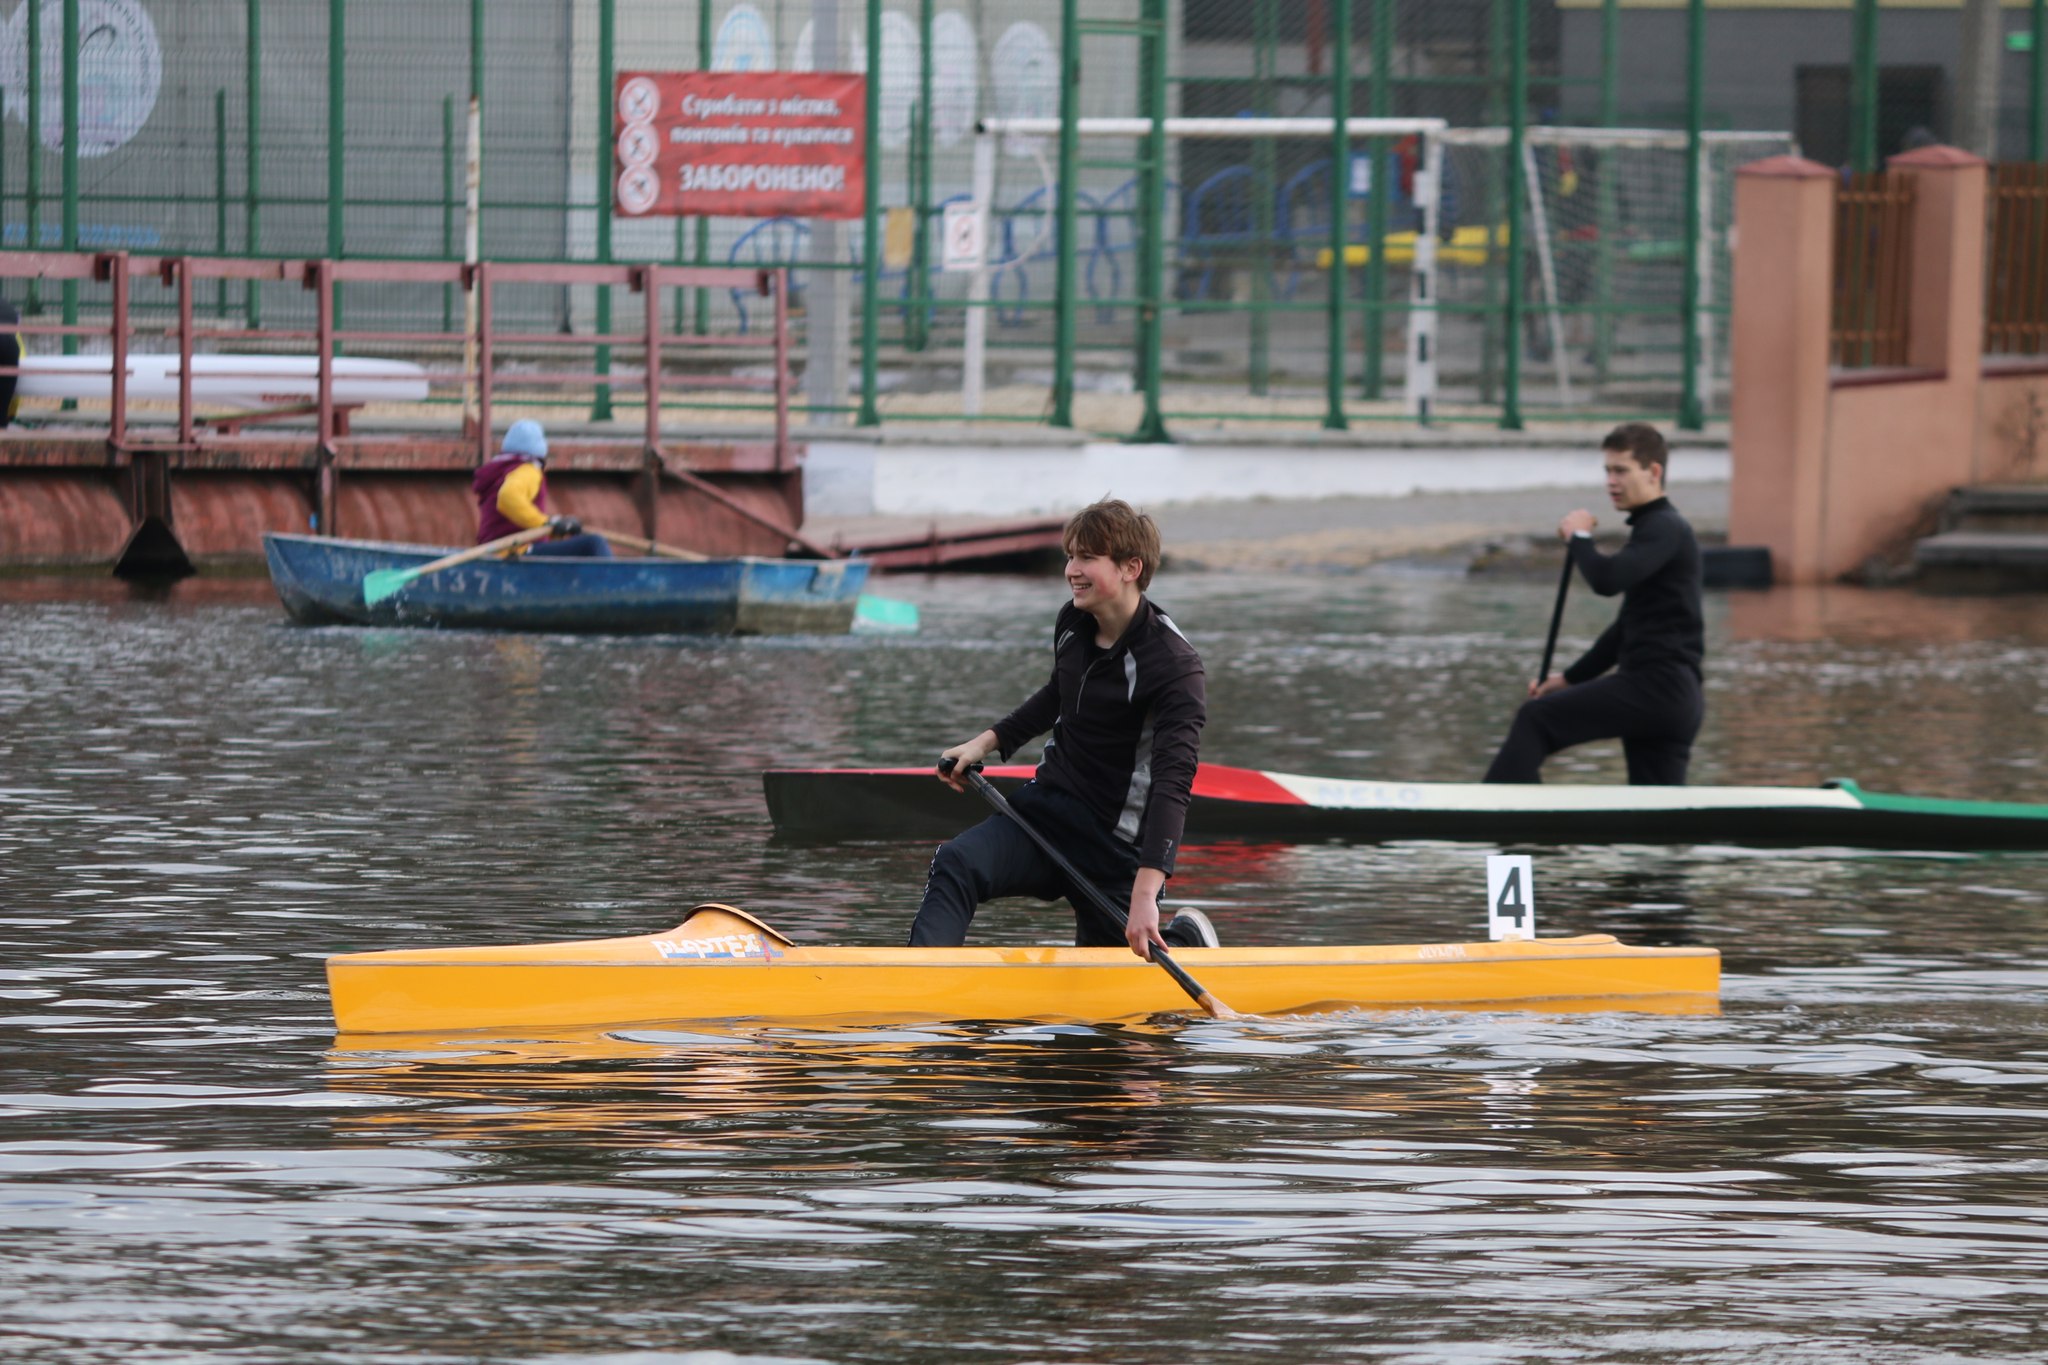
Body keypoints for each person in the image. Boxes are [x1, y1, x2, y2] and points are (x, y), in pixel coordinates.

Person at [912, 498, 1218, 960]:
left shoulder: (1174, 667)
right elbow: (1059, 692)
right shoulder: (1074, 622)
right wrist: (985, 743)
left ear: (1131, 567)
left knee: (1113, 987)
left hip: (1114, 849)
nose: (1071, 569)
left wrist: (1144, 893)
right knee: (956, 862)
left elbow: (1173, 785)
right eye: (1069, 555)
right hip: (1046, 815)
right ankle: (920, 987)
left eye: (1087, 557)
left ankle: (1183, 941)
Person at [1484, 422, 1703, 785]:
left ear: (1654, 472)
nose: (1611, 482)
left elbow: (1606, 580)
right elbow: (1623, 632)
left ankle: (1495, 816)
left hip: (1656, 687)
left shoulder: (1665, 527)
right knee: (1658, 819)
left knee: (1536, 718)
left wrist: (1579, 537)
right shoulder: (1656, 530)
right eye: (1607, 471)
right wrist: (1569, 679)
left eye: (1621, 470)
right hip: (1673, 698)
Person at [470, 419, 613, 557]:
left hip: (492, 552)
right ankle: (613, 581)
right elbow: (507, 496)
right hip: (515, 552)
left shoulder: (499, 471)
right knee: (594, 543)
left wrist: (558, 529)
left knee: (580, 540)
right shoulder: (528, 469)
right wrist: (546, 523)